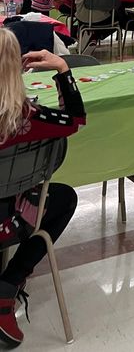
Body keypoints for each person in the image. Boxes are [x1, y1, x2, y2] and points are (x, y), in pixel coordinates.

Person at [0, 33, 85, 347]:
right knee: (64, 197)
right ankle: (9, 282)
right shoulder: (30, 118)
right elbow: (76, 117)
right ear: (16, 70)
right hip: (16, 221)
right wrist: (62, 68)